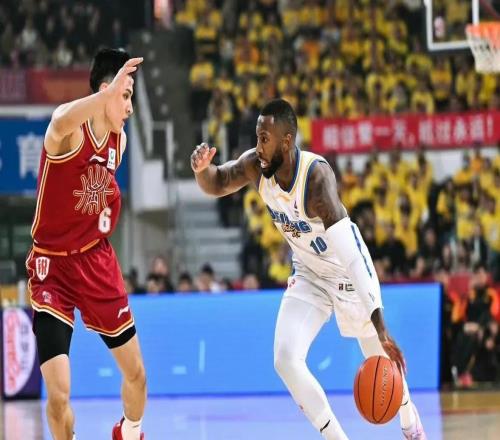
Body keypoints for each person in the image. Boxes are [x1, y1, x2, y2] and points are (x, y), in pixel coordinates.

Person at [191, 99, 426, 439]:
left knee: (382, 364)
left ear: (286, 141)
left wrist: (381, 326)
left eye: (264, 139)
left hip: (344, 272)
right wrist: (202, 170)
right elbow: (219, 181)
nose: (258, 147)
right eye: (257, 137)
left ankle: (410, 423)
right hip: (308, 272)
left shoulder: (316, 178)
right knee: (285, 359)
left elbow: (354, 257)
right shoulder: (256, 165)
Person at [26, 49, 146, 440]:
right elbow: (59, 119)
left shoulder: (119, 142)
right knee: (58, 397)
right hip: (52, 267)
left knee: (137, 375)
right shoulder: (70, 132)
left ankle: (129, 431)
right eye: (125, 95)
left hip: (95, 261)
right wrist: (107, 95)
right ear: (105, 90)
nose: (129, 106)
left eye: (131, 97)